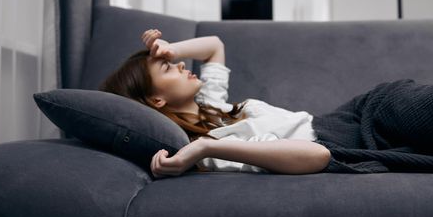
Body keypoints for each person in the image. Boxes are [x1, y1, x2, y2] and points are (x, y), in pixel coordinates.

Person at [99, 29, 332, 178]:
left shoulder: (207, 103)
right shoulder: (208, 148)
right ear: (156, 100)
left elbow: (214, 46)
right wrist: (205, 147)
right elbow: (319, 155)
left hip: (337, 122)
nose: (180, 64)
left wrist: (172, 49)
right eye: (167, 67)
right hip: (336, 141)